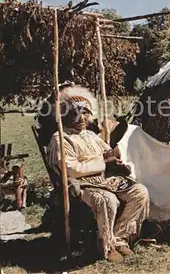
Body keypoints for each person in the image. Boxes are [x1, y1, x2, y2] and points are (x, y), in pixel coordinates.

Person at [46, 86, 150, 262]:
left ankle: (119, 239)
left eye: (85, 113)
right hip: (81, 183)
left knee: (140, 192)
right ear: (66, 116)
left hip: (106, 178)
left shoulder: (90, 135)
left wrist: (117, 156)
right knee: (106, 199)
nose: (81, 118)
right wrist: (103, 163)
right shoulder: (60, 138)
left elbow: (108, 153)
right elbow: (71, 169)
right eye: (75, 114)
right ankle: (106, 245)